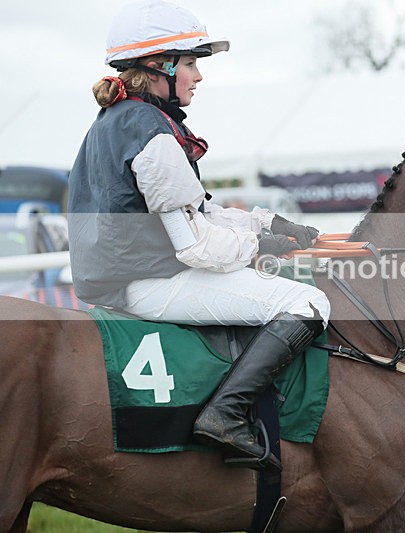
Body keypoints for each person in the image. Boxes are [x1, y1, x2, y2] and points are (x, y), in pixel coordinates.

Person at [68, 0, 330, 473]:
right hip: (151, 283)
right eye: (190, 63)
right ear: (159, 66)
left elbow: (201, 213)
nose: (198, 76)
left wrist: (268, 224)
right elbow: (196, 245)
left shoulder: (116, 121)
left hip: (125, 277)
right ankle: (225, 414)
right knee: (309, 302)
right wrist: (259, 248)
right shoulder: (153, 134)